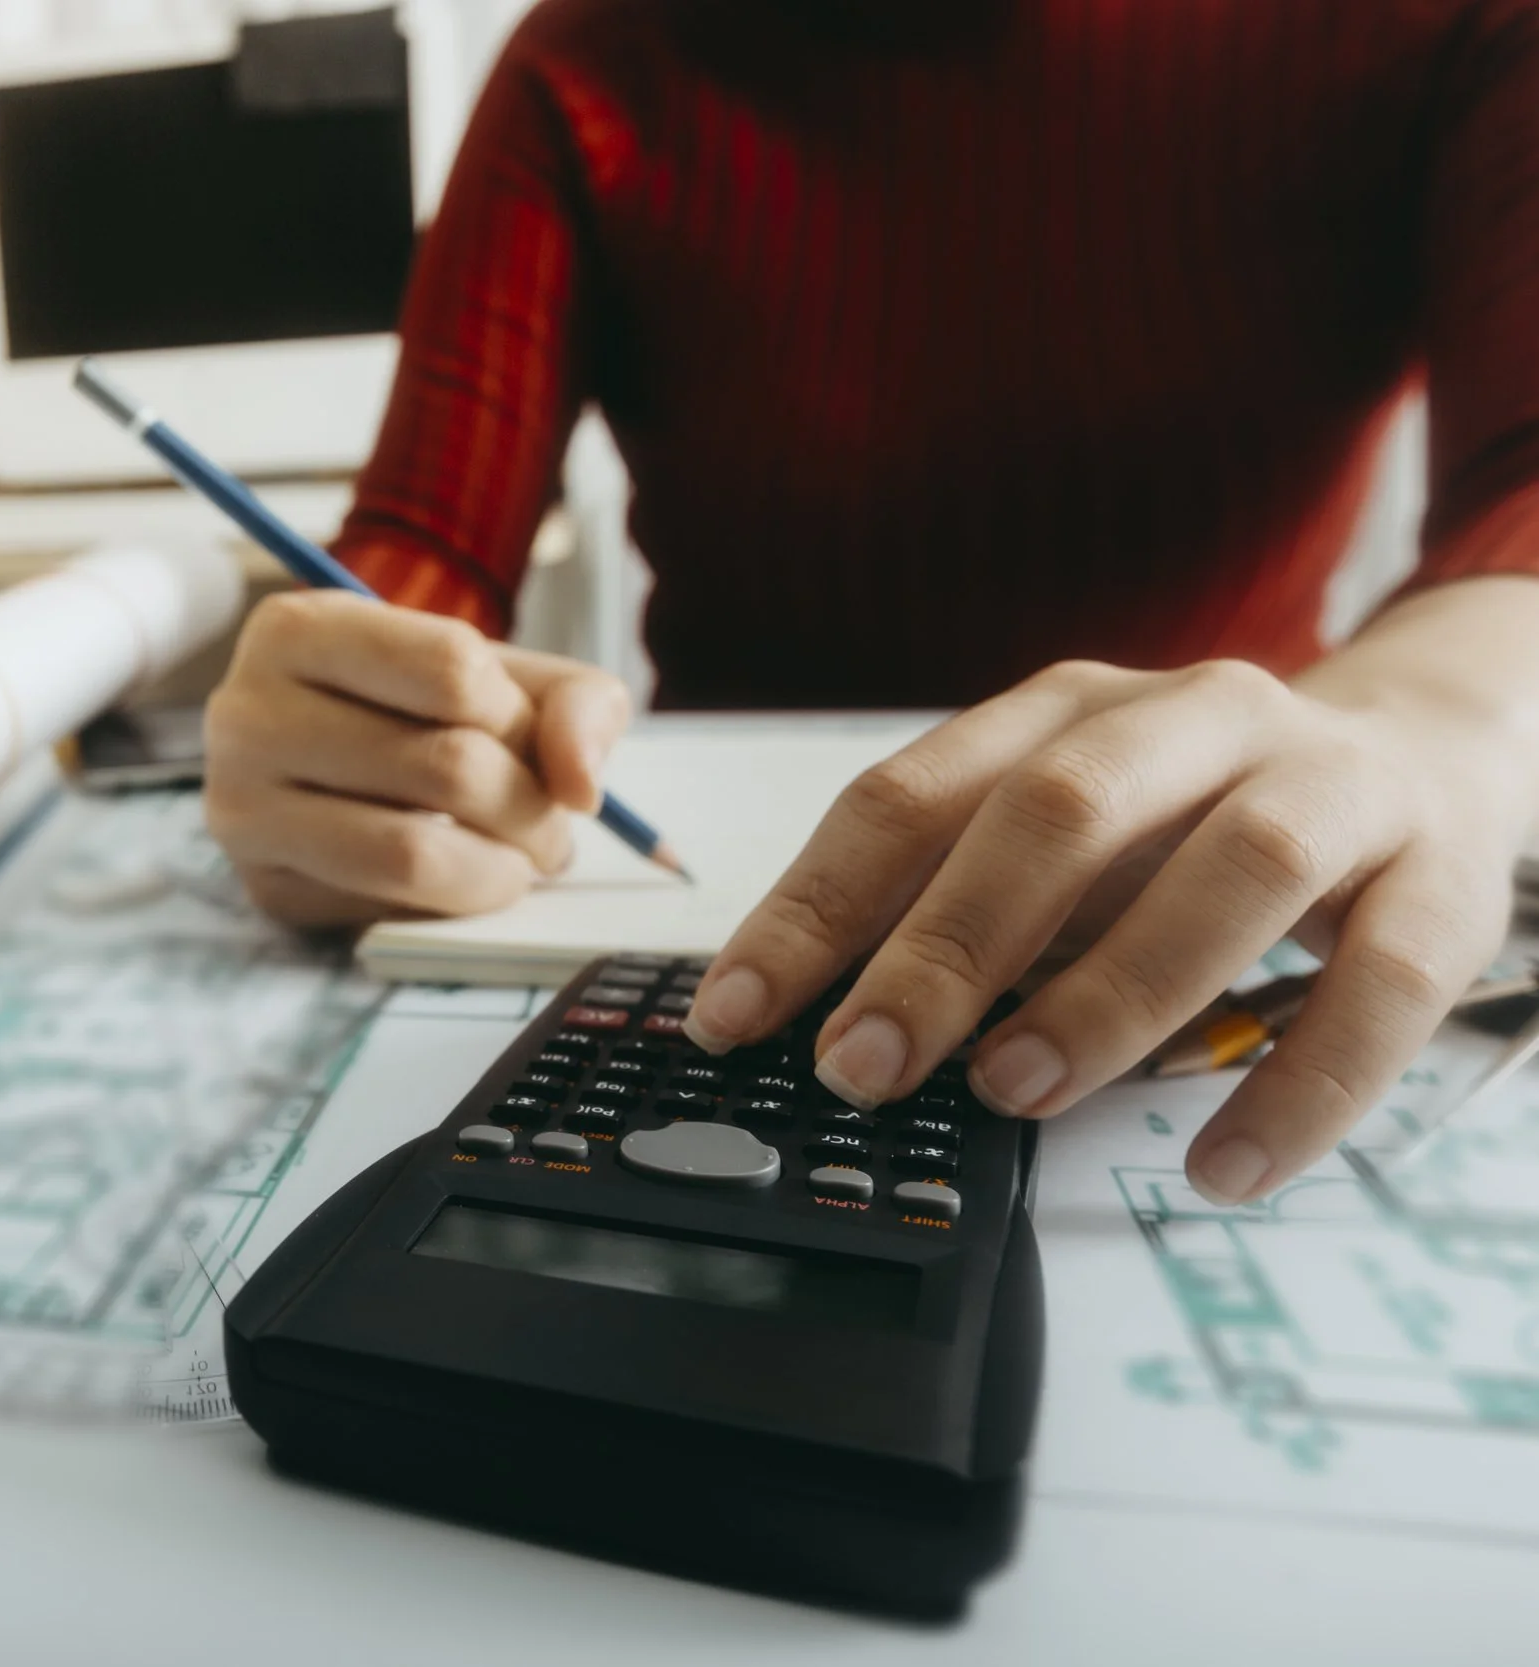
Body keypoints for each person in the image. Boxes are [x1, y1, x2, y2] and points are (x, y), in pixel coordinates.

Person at [201, 0, 1539, 1206]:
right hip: (720, 922)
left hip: (1229, 906)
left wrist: (1429, 719)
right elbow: (423, 543)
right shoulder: (594, 56)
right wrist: (356, 715)